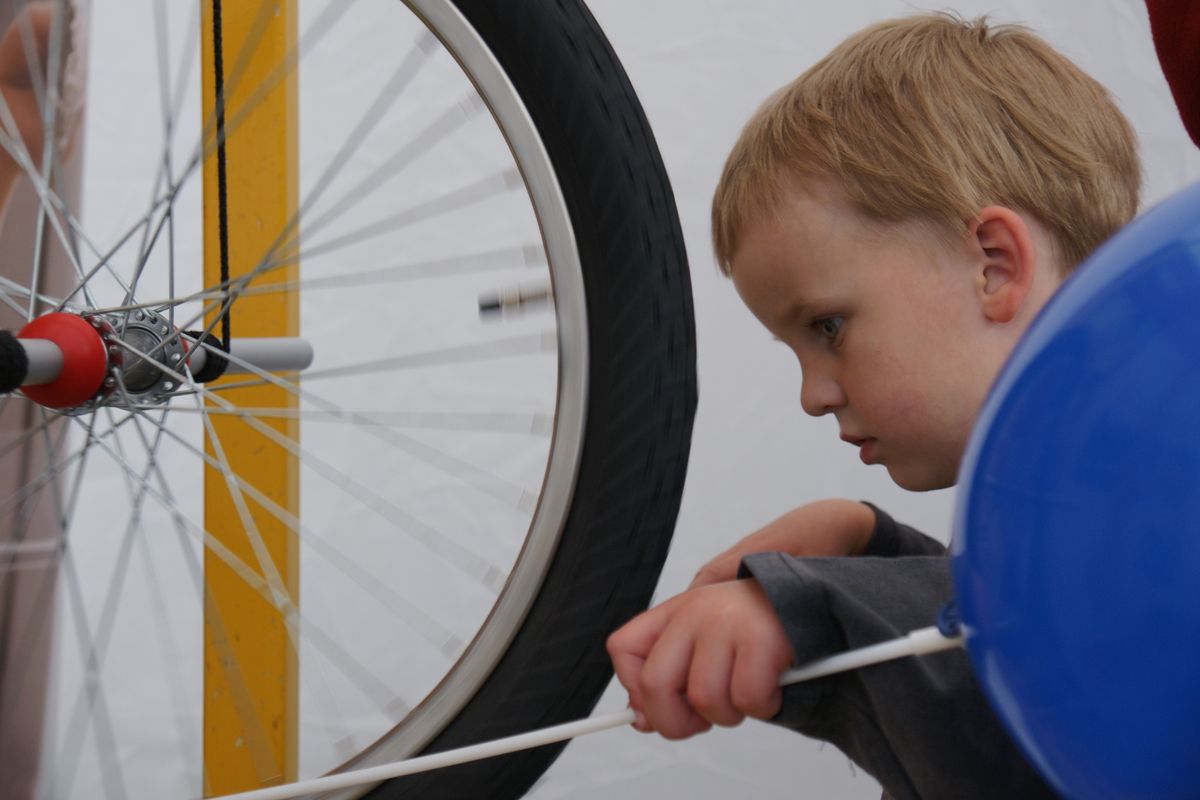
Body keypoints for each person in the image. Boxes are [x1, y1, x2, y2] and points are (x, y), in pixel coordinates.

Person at [607, 12, 1142, 799]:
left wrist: (816, 608)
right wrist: (870, 551)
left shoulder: (1166, 446)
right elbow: (1015, 618)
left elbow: (1063, 683)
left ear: (993, 265)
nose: (811, 394)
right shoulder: (1064, 480)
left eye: (829, 327)